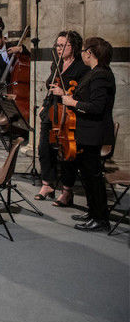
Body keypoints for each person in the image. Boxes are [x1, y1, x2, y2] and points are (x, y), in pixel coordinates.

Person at [53, 37, 115, 231]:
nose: (82, 54)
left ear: (90, 52)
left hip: (93, 134)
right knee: (87, 176)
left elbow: (97, 107)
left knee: (93, 177)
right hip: (85, 132)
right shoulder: (94, 73)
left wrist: (73, 103)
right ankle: (93, 212)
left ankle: (100, 218)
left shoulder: (101, 75)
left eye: (84, 51)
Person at [33, 31, 89, 204]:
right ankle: (47, 184)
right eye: (58, 45)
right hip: (52, 111)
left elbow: (83, 92)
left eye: (64, 45)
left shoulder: (81, 67)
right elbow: (51, 85)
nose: (59, 48)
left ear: (74, 47)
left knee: (67, 152)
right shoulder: (56, 63)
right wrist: (45, 103)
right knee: (44, 148)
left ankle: (67, 190)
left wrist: (64, 92)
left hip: (69, 114)